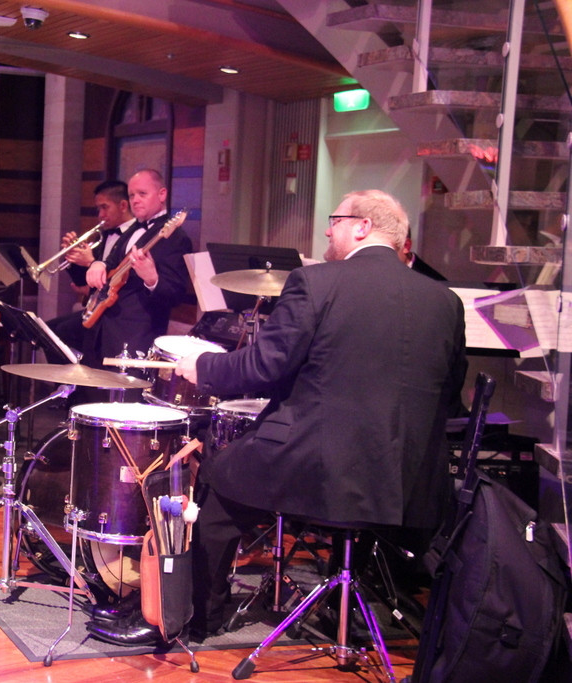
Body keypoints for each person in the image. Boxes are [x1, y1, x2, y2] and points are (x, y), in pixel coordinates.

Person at [168, 190, 467, 641]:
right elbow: (450, 393)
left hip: (322, 466)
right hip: (408, 477)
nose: (327, 231)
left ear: (362, 226)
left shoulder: (317, 282)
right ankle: (342, 599)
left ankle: (200, 617)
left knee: (218, 478)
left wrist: (203, 366)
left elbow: (263, 366)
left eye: (335, 220)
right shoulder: (445, 300)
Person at [81, 169, 192, 368]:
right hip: (102, 328)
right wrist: (98, 263)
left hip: (135, 337)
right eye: (132, 195)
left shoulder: (176, 238)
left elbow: (176, 295)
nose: (135, 200)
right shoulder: (132, 228)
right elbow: (112, 261)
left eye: (142, 194)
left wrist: (152, 279)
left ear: (162, 194)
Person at [48, 180, 136, 352]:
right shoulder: (103, 236)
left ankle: (74, 369)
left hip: (115, 312)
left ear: (123, 206)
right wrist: (73, 257)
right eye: (98, 209)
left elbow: (118, 278)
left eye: (105, 207)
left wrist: (90, 261)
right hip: (95, 308)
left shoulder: (135, 236)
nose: (100, 215)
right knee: (48, 332)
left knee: (60, 332)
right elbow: (82, 281)